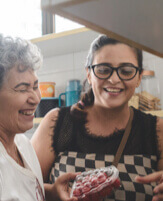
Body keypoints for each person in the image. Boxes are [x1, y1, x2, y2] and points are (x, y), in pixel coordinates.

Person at [31, 34, 163, 201]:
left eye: (126, 71)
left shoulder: (157, 130)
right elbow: (21, 186)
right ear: (89, 74)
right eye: (103, 70)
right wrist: (51, 193)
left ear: (138, 78)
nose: (114, 79)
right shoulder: (56, 122)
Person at [0, 35, 78, 201]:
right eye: (22, 89)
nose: (35, 98)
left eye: (35, 86)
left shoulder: (21, 142)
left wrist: (51, 192)